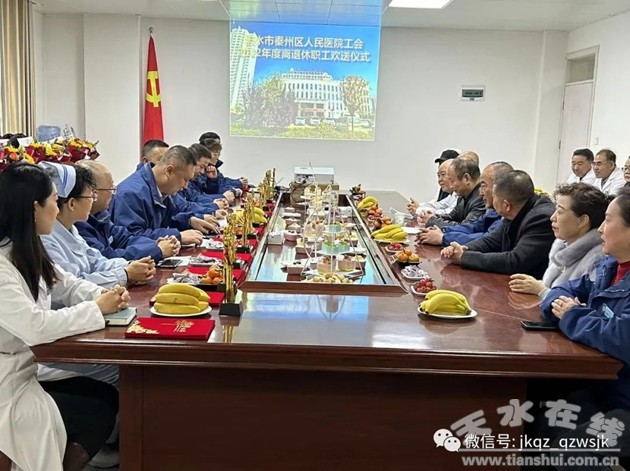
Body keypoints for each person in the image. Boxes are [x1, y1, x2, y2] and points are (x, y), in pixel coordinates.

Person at [0, 163, 124, 470]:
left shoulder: (25, 249)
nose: (57, 210)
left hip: (26, 369)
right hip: (7, 385)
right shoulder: (2, 266)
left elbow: (67, 284)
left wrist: (103, 295)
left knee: (105, 396)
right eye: (55, 201)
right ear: (34, 208)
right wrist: (96, 309)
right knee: (97, 408)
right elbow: (35, 327)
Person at [531, 188, 630, 468]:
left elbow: (621, 337)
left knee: (570, 452)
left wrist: (572, 315)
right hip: (606, 387)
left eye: (608, 220)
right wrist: (563, 308)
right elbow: (560, 291)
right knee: (536, 424)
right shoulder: (609, 267)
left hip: (625, 400)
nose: (601, 229)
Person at [39, 162, 156, 289]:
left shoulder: (71, 229)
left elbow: (97, 262)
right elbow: (72, 286)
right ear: (72, 204)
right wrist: (125, 274)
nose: (92, 201)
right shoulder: (46, 240)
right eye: (91, 196)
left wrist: (130, 265)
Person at [442, 170, 555, 278]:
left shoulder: (541, 219)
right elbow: (491, 241)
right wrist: (464, 248)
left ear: (506, 205)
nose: (482, 193)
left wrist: (464, 257)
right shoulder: (517, 208)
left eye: (494, 196)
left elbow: (515, 261)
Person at [509, 183, 608, 298]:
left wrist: (541, 291)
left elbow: (578, 304)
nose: (552, 217)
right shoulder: (562, 245)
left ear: (582, 221)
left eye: (560, 211)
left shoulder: (597, 259)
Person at [75, 161, 180, 262]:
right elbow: (106, 257)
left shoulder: (100, 215)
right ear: (93, 193)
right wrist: (156, 250)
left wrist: (155, 244)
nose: (113, 194)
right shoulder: (79, 223)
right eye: (110, 189)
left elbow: (125, 239)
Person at [110, 145, 215, 244]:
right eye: (185, 179)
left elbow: (171, 217)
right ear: (169, 171)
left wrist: (189, 221)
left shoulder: (163, 189)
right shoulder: (131, 194)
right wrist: (177, 236)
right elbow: (131, 238)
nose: (186, 186)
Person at [417, 162, 512, 246]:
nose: (481, 193)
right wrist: (443, 231)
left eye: (483, 186)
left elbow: (486, 239)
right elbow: (472, 227)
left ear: (499, 188)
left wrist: (443, 238)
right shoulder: (492, 210)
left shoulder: (503, 214)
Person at [421, 157, 485, 228]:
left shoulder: (482, 198)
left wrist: (432, 221)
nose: (451, 186)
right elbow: (452, 217)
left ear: (466, 178)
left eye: (452, 181)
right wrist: (432, 216)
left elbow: (466, 228)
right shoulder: (462, 196)